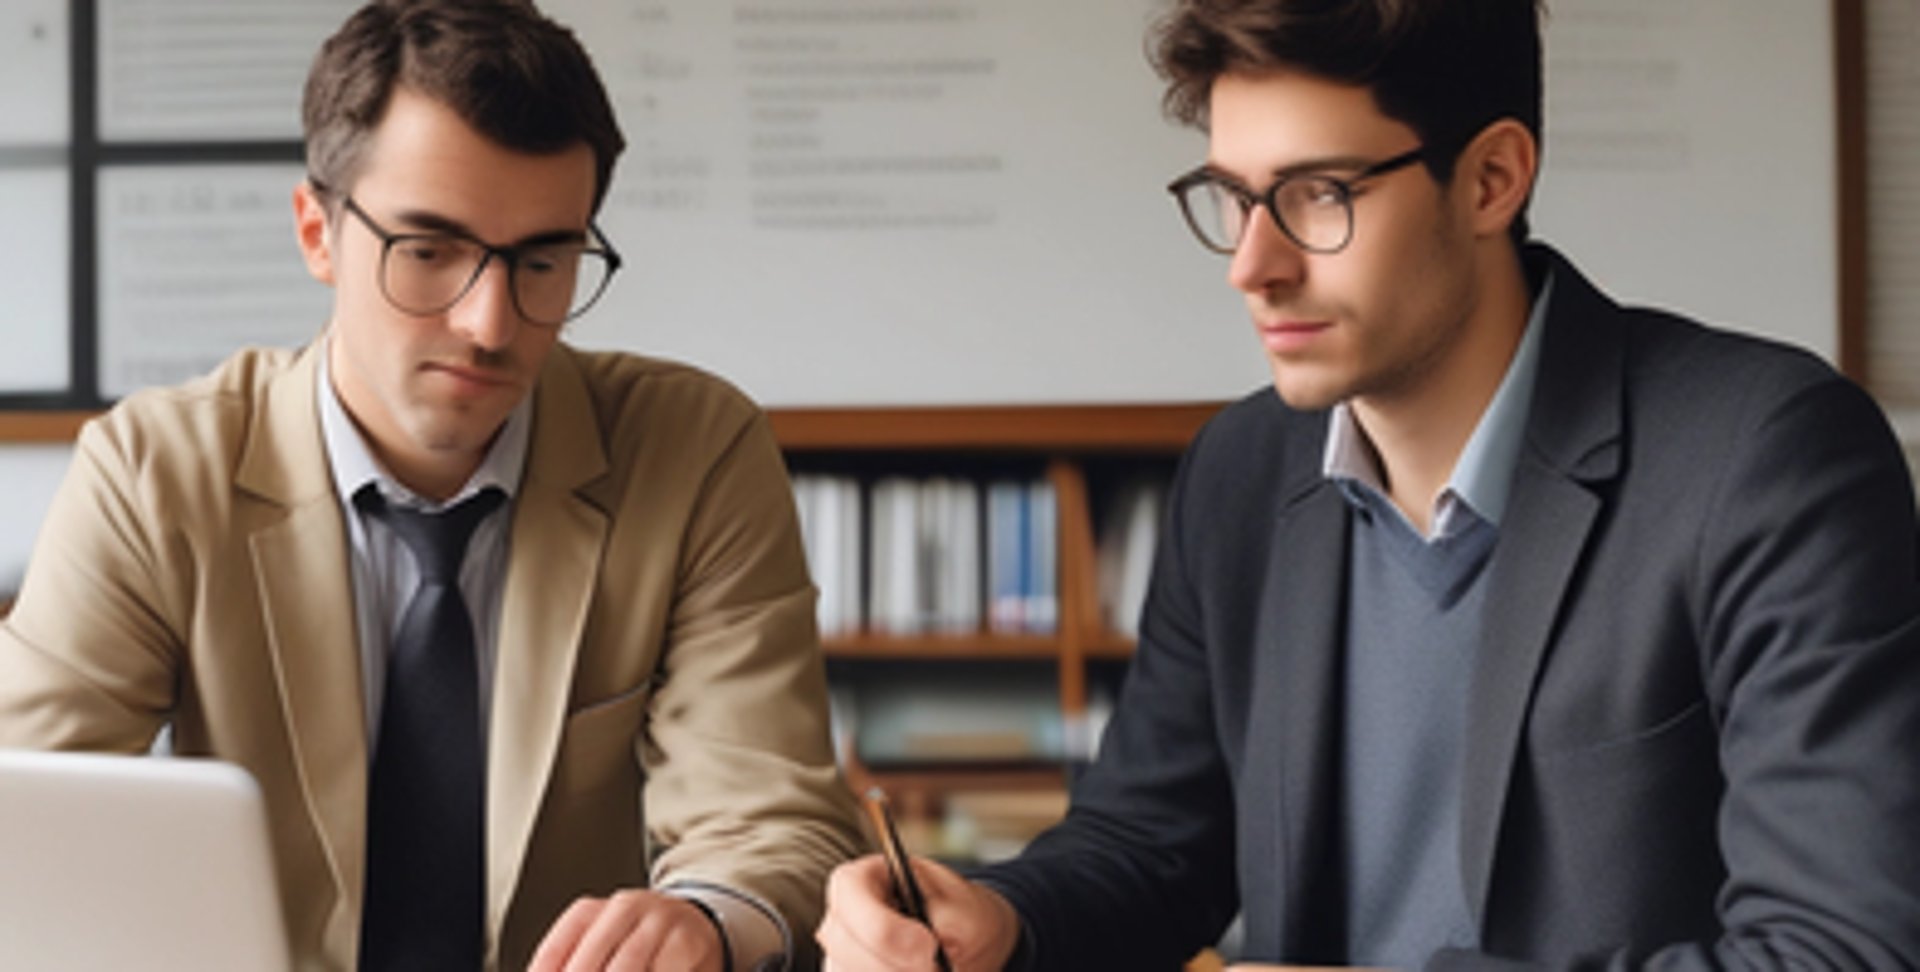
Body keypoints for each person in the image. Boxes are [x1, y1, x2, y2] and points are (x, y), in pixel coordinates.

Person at [816, 0, 1920, 969]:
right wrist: (1002, 918)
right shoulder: (1242, 472)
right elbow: (1152, 843)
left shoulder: (1764, 456)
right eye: (1234, 197)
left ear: (1491, 178)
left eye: (1319, 194)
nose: (1254, 263)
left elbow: (1841, 949)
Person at [0, 1, 863, 969]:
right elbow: (20, 815)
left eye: (543, 260)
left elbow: (775, 825)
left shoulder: (696, 451)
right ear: (317, 233)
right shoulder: (153, 475)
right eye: (429, 251)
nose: (490, 323)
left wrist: (705, 919)